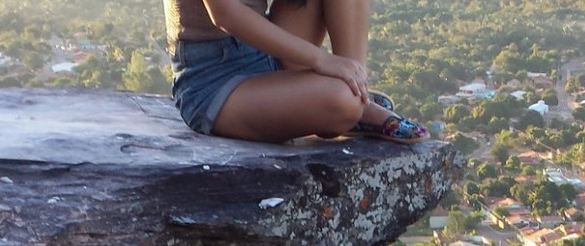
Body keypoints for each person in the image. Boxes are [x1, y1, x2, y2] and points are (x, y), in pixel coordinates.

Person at [163, 0, 429, 144]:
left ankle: (361, 96)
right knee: (341, 101)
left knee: (349, 99)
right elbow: (225, 14)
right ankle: (351, 107)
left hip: (263, 48)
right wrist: (320, 59)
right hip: (214, 80)